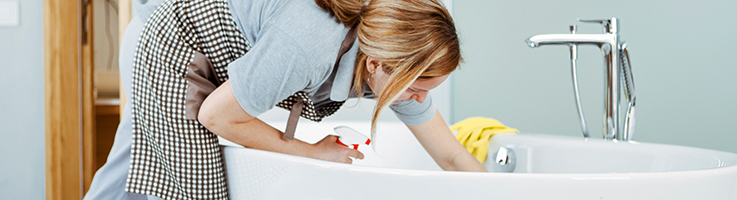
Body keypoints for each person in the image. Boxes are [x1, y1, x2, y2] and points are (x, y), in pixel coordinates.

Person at [86, 0, 486, 199]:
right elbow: (219, 116)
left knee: (127, 167)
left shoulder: (390, 61)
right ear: (380, 65)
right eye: (415, 88)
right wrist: (311, 152)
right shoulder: (310, 45)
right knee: (197, 187)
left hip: (216, 57)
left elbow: (450, 156)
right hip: (174, 45)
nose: (416, 100)